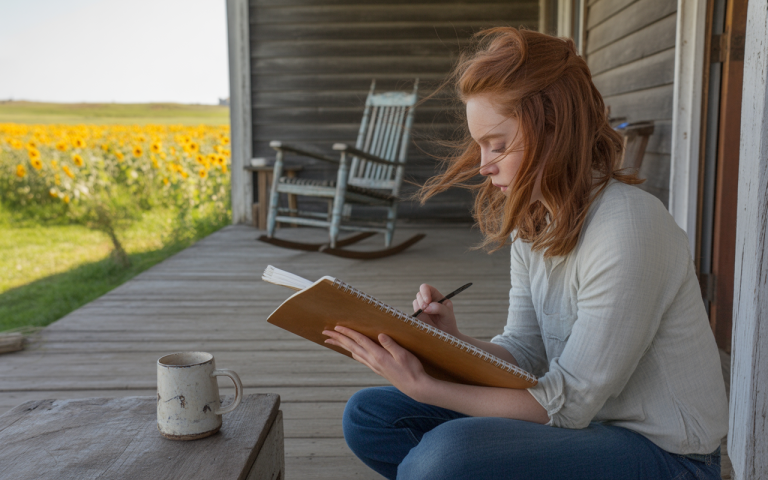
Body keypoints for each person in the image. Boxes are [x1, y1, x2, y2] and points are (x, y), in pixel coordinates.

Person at [322, 27, 729, 480]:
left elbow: (568, 404)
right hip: (582, 426)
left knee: (441, 459)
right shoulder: (533, 221)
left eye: (497, 145)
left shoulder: (630, 227)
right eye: (480, 146)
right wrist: (450, 340)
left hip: (667, 456)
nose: (483, 165)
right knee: (371, 416)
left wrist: (428, 387)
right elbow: (525, 353)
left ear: (554, 131)